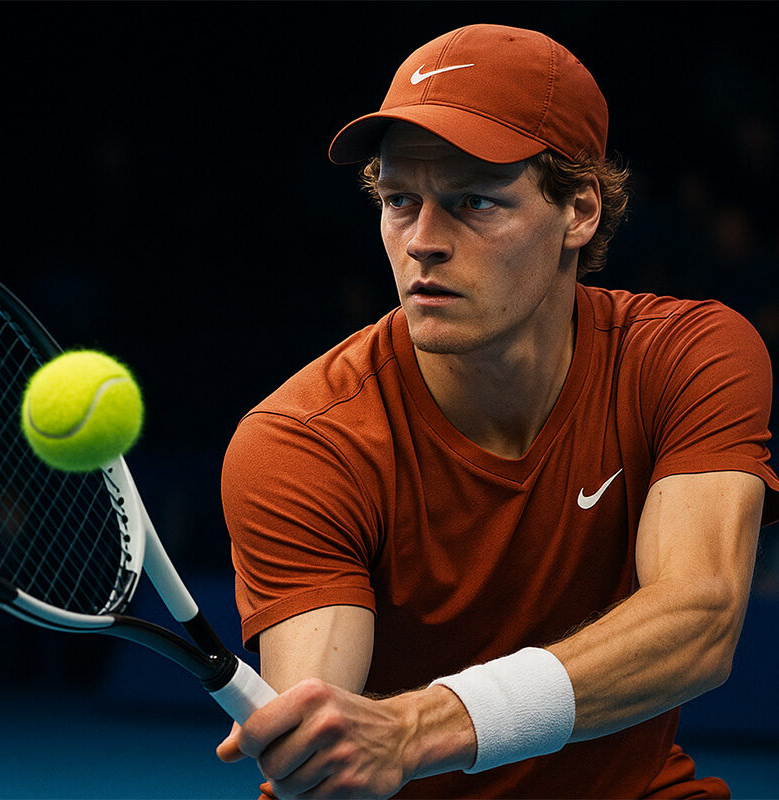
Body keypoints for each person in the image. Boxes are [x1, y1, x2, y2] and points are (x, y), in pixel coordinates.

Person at [215, 23, 779, 800]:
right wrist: (324, 754)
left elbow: (699, 619)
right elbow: (328, 719)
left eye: (472, 201)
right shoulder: (301, 440)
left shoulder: (687, 356)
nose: (422, 243)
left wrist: (415, 726)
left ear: (578, 211)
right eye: (399, 200)